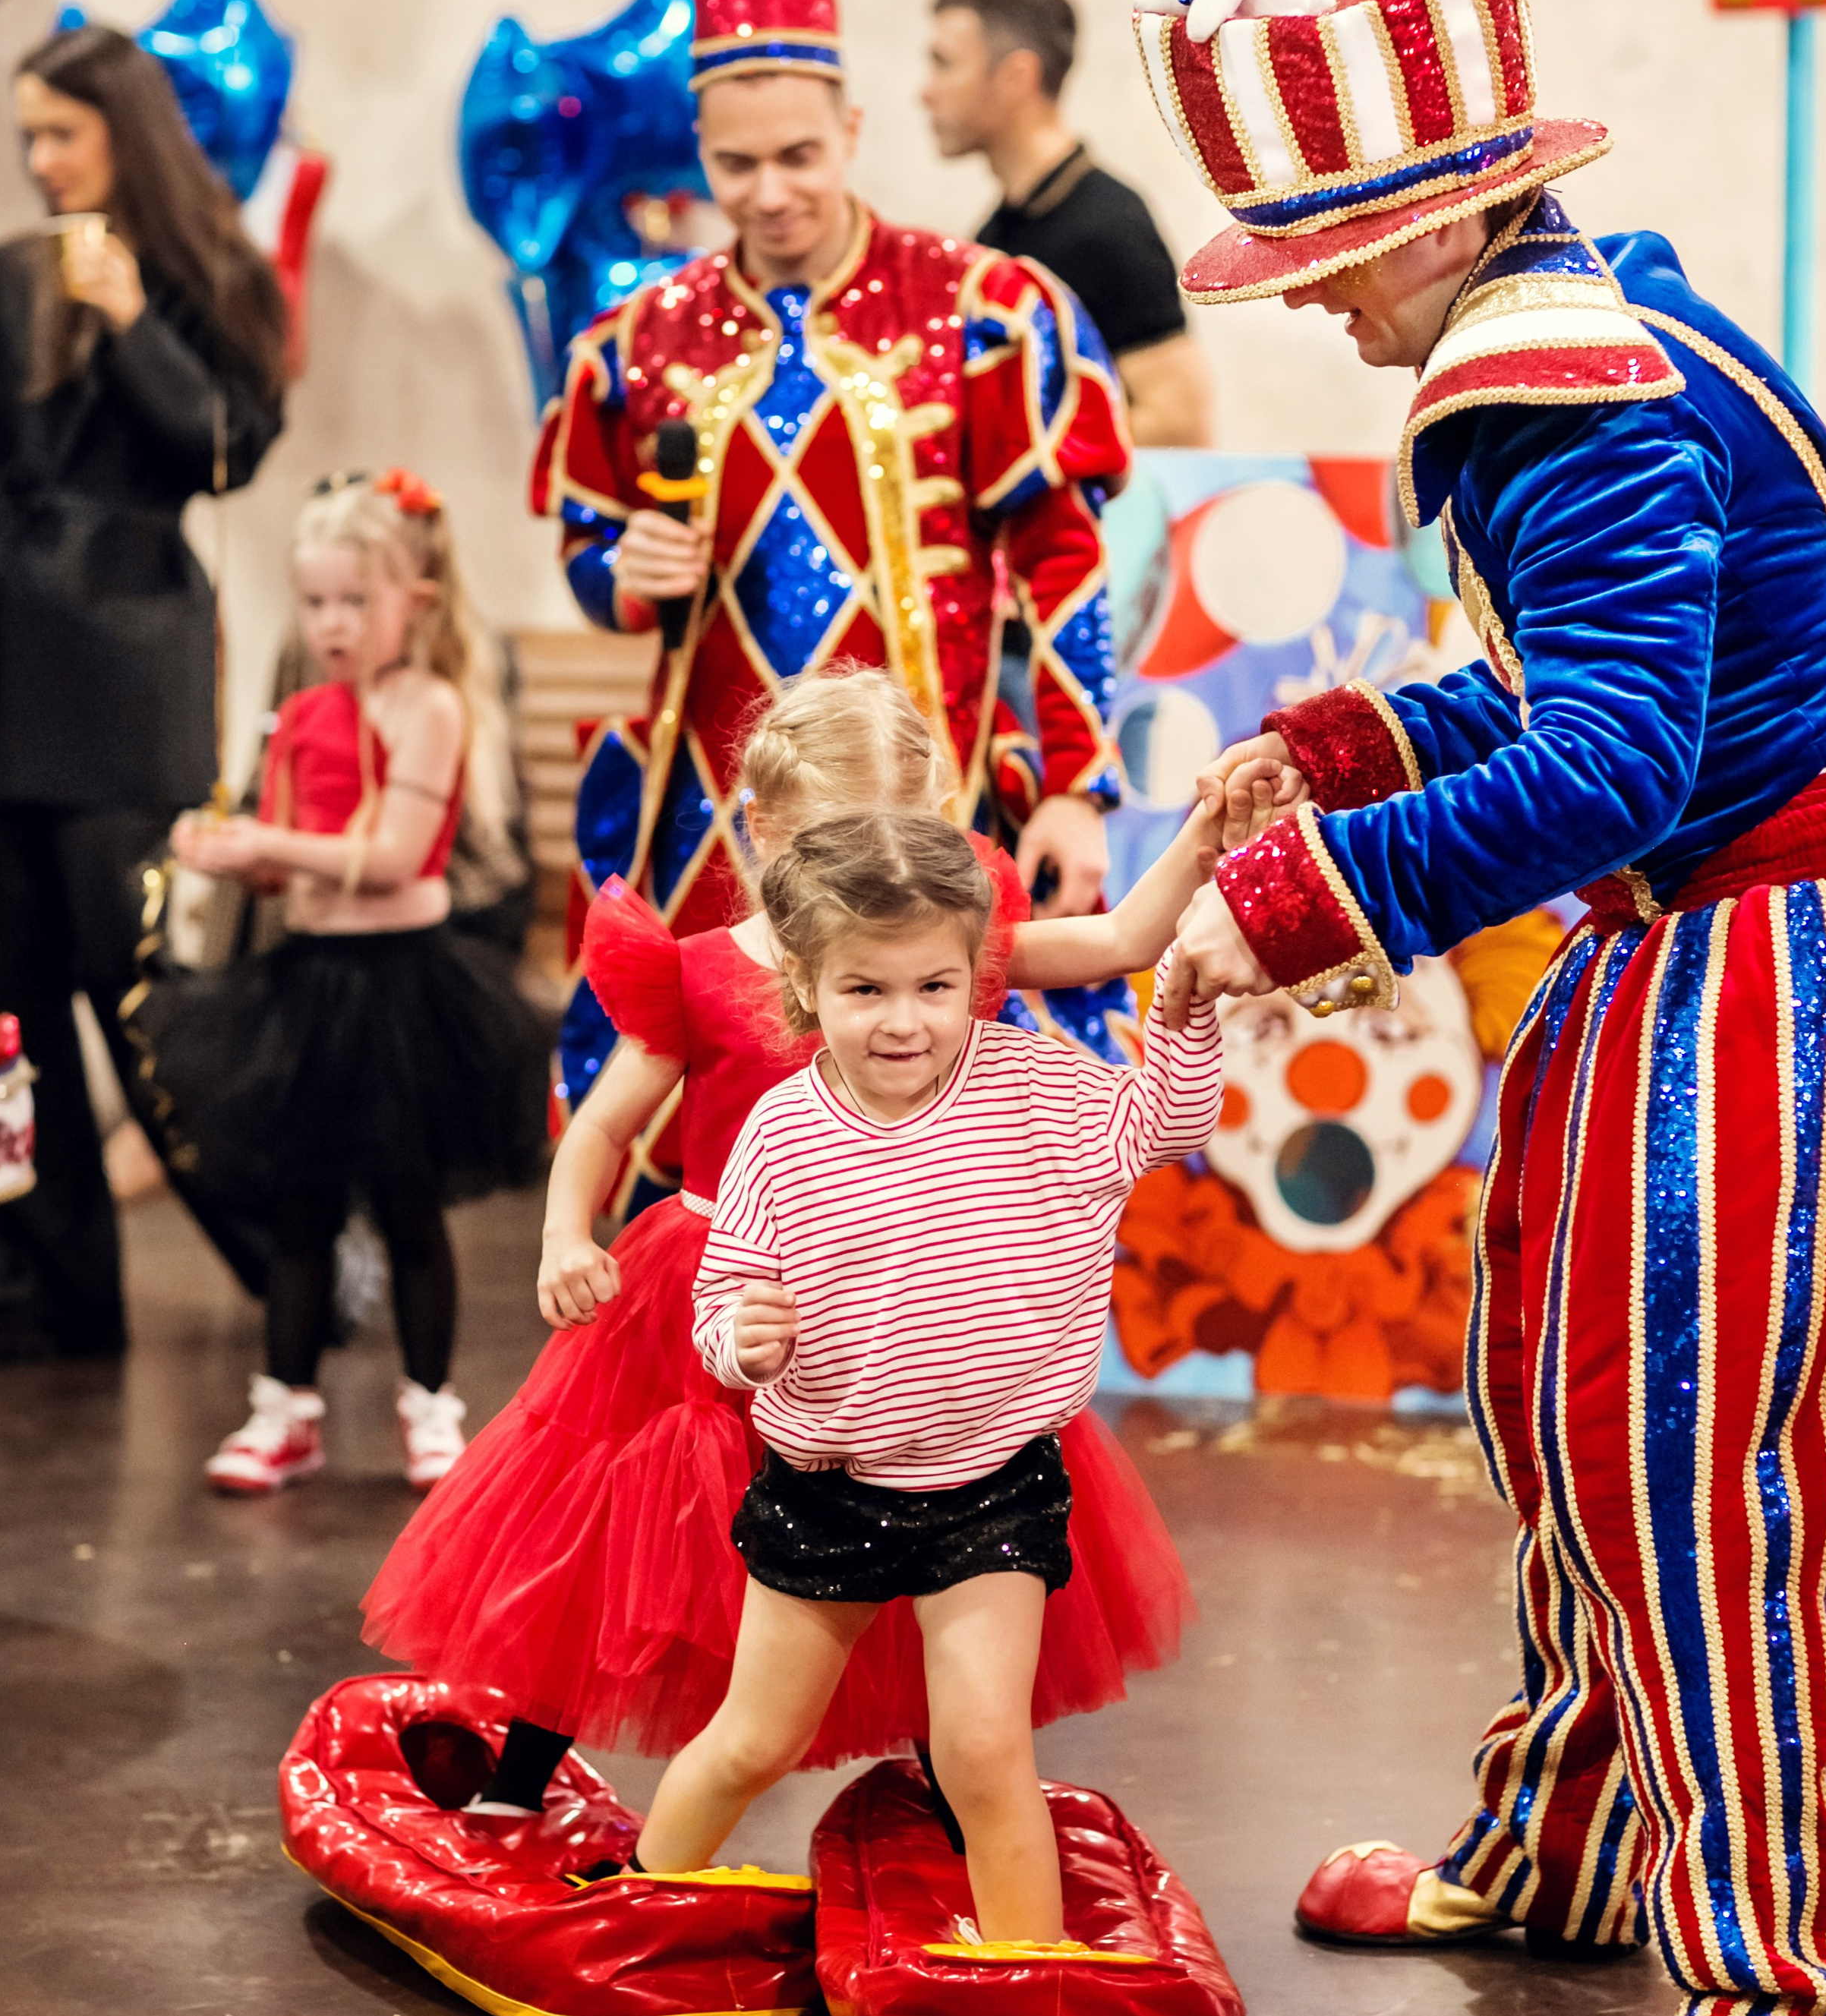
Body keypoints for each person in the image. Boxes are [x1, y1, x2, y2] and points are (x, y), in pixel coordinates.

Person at [1146, 0, 1826, 2016]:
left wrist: (1287, 912)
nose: (1305, 286)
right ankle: (1574, 1832)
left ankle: (1787, 1990)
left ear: (1466, 198)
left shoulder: (1551, 386)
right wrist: (1346, 739)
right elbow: (1606, 699)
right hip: (1673, 930)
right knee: (1559, 1392)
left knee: (1688, 1449)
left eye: (1336, 238)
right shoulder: (1576, 324)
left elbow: (1608, 757)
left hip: (1755, 944)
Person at [364, 665, 1223, 1818]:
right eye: (837, 841)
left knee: (924, 1515)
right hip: (720, 1283)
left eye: (899, 838)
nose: (869, 872)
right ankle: (524, 1778)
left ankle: (954, 1780)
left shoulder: (933, 950)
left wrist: (1209, 840)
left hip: (885, 1292)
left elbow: (1122, 936)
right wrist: (567, 1234)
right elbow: (609, 1122)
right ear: (764, 835)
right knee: (620, 1540)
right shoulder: (702, 972)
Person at [538, 0, 1133, 1133]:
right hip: (713, 821)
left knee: (941, 1138)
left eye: (801, 154)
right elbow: (586, 545)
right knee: (707, 1133)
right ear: (700, 153)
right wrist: (625, 571)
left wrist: (1075, 786)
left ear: (853, 128)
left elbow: (1059, 555)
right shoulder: (636, 338)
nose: (772, 193)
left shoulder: (991, 311)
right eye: (737, 166)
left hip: (928, 811)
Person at [635, 807, 1222, 1936]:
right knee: (754, 1740)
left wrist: (1186, 1008)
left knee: (986, 1750)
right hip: (826, 1490)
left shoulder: (1033, 1088)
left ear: (974, 975)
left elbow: (1167, 1120)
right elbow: (722, 1300)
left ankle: (1031, 1984)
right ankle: (638, 1915)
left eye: (934, 989)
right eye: (866, 992)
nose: (905, 1023)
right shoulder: (780, 1133)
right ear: (806, 988)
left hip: (993, 1486)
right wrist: (736, 1342)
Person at [138, 473, 550, 1495]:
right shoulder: (307, 712)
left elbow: (401, 853)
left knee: (410, 1207)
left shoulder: (435, 705)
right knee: (300, 1209)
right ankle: (284, 1408)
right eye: (315, 602)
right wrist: (229, 852)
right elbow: (299, 860)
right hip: (311, 980)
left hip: (404, 988)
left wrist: (269, 843)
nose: (331, 623)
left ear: (411, 599)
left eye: (353, 602)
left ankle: (429, 1404)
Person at [0, 21, 287, 1357]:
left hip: (129, 656)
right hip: (9, 650)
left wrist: (130, 322)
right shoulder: (8, 277)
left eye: (61, 132)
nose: (41, 160)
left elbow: (227, 449)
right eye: (27, 137)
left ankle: (286, 1255)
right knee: (19, 1000)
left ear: (124, 130)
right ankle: (51, 1287)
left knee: (149, 986)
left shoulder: (208, 267)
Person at [923, 0, 1213, 450]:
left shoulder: (1107, 227)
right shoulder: (1002, 229)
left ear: (1017, 76)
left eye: (944, 63)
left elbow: (1180, 423)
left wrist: (1012, 447)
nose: (926, 92)